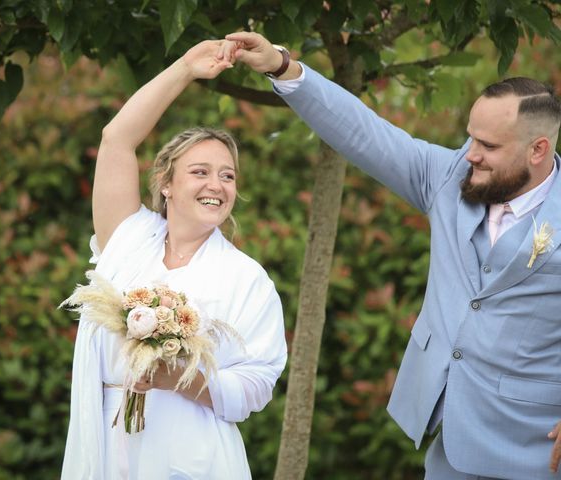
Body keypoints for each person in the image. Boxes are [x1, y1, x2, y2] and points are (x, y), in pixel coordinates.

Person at [224, 31, 561, 480]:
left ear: (539, 149)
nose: (471, 155)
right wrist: (281, 67)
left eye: (489, 147)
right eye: (470, 138)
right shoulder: (447, 180)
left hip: (535, 447)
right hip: (449, 439)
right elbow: (364, 132)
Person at [61, 40, 287, 479]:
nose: (216, 185)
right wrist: (184, 69)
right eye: (200, 172)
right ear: (166, 183)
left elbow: (258, 383)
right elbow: (116, 139)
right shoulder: (128, 240)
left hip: (193, 452)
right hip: (106, 445)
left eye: (228, 176)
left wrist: (183, 379)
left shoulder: (246, 278)